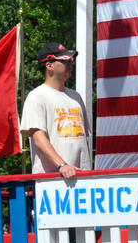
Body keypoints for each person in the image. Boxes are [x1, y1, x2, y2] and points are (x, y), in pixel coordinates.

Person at [20, 43, 91, 178]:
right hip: (52, 180)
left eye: (70, 60)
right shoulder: (36, 97)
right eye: (64, 60)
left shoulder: (76, 97)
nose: (70, 63)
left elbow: (86, 137)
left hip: (82, 177)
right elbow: (38, 138)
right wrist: (62, 165)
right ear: (49, 65)